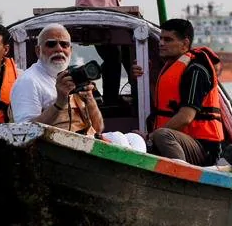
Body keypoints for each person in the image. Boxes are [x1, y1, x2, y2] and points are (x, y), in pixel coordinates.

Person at [11, 24, 146, 152]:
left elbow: (98, 128)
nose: (59, 49)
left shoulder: (73, 76)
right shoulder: (29, 81)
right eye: (51, 44)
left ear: (71, 50)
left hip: (85, 142)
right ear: (38, 50)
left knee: (136, 139)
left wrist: (90, 101)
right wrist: (59, 102)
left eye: (64, 45)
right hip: (54, 147)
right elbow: (24, 133)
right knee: (120, 140)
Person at [144, 18, 226, 166]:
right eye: (161, 39)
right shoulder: (171, 66)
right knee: (138, 135)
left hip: (204, 148)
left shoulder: (196, 70)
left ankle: (181, 177)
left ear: (185, 44)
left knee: (162, 135)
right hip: (181, 140)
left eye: (168, 40)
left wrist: (151, 137)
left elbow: (186, 117)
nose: (161, 43)